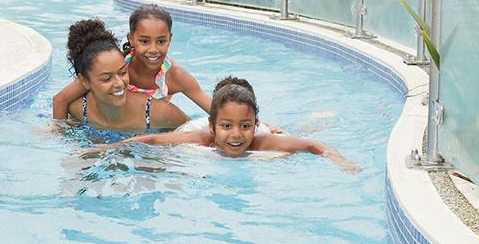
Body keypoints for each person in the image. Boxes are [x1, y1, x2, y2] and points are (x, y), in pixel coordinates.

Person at [113, 77, 362, 173]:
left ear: (253, 126)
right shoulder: (202, 137)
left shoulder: (262, 139)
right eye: (226, 126)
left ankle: (319, 119)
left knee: (296, 130)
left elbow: (311, 145)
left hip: (268, 128)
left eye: (245, 126)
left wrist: (340, 160)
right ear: (213, 127)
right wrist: (111, 148)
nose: (236, 135)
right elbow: (153, 139)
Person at [53, 4, 212, 119]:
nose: (153, 49)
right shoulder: (117, 67)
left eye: (161, 41)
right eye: (144, 41)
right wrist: (61, 132)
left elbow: (215, 111)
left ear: (170, 39)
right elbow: (60, 99)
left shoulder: (175, 76)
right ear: (131, 38)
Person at [62, 18, 190, 132]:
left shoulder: (159, 112)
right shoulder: (78, 110)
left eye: (123, 72)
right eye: (107, 78)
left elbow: (197, 131)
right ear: (84, 81)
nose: (119, 83)